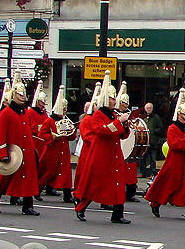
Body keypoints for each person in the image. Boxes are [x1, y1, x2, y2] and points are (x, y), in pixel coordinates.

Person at [73, 72, 132, 224]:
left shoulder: (113, 114)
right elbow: (103, 130)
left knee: (118, 182)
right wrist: (119, 122)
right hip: (102, 154)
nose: (115, 101)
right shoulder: (98, 115)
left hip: (114, 153)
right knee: (95, 183)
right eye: (112, 98)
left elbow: (122, 135)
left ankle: (118, 214)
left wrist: (124, 124)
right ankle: (81, 207)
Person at [0, 72, 40, 216]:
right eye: (19, 95)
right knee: (4, 177)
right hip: (12, 150)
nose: (22, 98)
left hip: (25, 150)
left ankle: (28, 206)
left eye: (23, 95)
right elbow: (0, 135)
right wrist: (2, 153)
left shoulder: (25, 113)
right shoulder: (6, 114)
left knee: (28, 178)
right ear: (13, 95)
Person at [145, 88, 185, 218]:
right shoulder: (172, 128)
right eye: (184, 115)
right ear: (178, 115)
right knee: (170, 185)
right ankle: (156, 203)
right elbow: (176, 145)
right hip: (176, 161)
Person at [37, 86, 75, 203]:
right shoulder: (49, 121)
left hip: (63, 149)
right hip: (52, 150)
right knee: (48, 173)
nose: (64, 112)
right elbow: (41, 134)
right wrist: (51, 137)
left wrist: (70, 131)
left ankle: (67, 195)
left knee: (66, 173)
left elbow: (72, 136)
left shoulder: (66, 120)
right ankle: (37, 190)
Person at [115, 82, 142, 204]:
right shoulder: (114, 115)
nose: (126, 105)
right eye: (124, 103)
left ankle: (131, 192)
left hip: (127, 145)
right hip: (118, 146)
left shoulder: (129, 114)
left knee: (131, 171)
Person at [142, 102, 164, 178]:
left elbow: (161, 128)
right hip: (144, 141)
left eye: (150, 108)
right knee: (142, 158)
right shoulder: (144, 118)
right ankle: (143, 173)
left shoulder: (156, 118)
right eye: (147, 108)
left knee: (152, 158)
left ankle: (152, 173)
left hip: (153, 141)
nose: (148, 109)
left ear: (152, 108)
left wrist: (153, 132)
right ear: (145, 109)